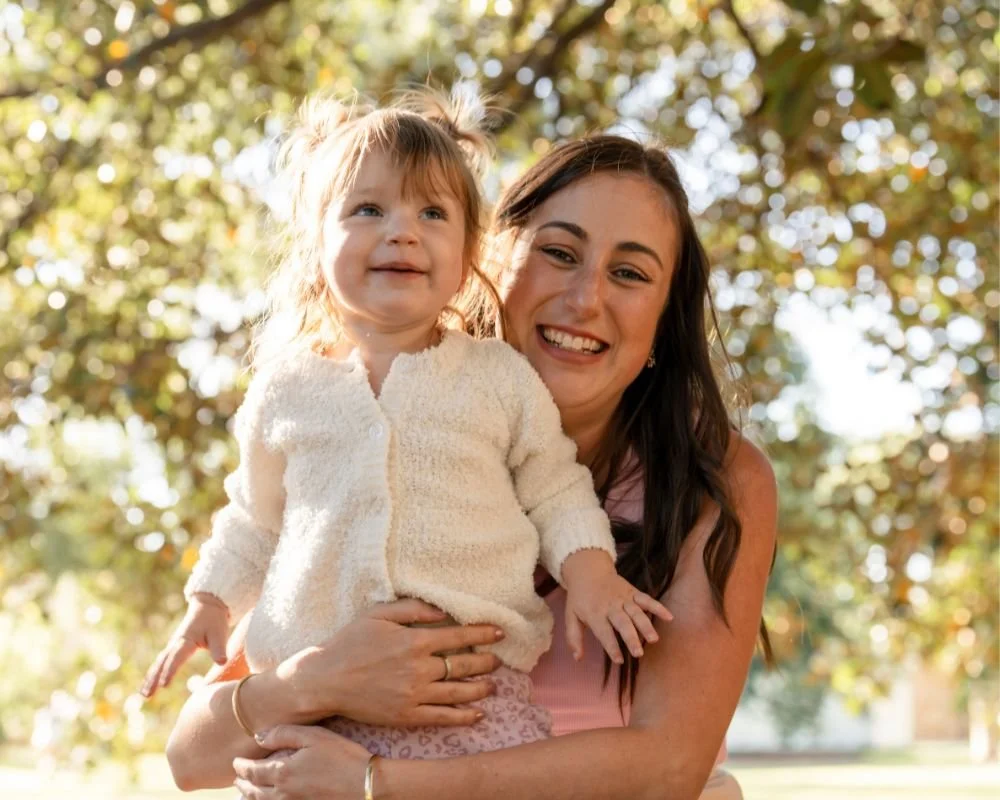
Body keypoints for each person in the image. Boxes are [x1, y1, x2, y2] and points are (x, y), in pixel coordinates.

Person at [164, 133, 777, 800]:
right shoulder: (365, 431)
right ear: (491, 260)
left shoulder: (714, 478)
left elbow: (669, 768)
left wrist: (379, 783)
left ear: (663, 321)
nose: (585, 298)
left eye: (629, 274)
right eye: (559, 253)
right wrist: (317, 682)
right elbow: (192, 759)